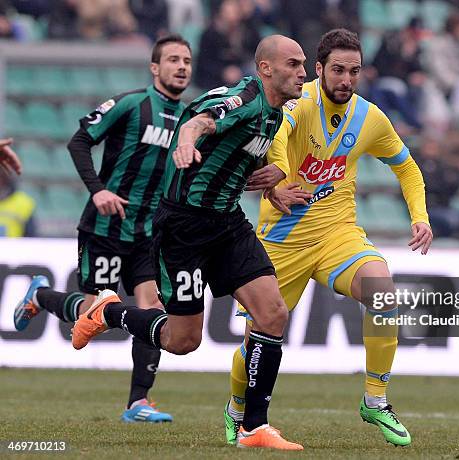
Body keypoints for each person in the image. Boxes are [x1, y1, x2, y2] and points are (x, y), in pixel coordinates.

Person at [70, 34, 307, 451]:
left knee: (272, 314)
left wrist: (274, 184)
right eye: (293, 64)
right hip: (184, 227)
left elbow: (238, 157)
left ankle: (254, 428)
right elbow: (201, 122)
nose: (303, 72)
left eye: (303, 64)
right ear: (266, 68)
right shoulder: (245, 100)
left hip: (228, 222)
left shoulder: (275, 112)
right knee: (183, 341)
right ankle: (110, 312)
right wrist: (183, 143)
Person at [225, 29, 433, 447]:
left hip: (338, 235)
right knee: (257, 338)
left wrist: (420, 217)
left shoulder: (369, 117)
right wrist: (278, 178)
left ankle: (375, 399)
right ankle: (237, 409)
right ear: (318, 69)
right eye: (337, 70)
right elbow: (278, 138)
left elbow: (407, 167)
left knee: (382, 290)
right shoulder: (298, 103)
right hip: (282, 240)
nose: (346, 79)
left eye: (354, 71)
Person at [13, 34, 193, 422]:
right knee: (95, 315)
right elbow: (79, 141)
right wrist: (98, 191)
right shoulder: (130, 104)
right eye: (174, 59)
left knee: (153, 310)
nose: (182, 67)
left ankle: (138, 403)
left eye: (187, 61)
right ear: (154, 67)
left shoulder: (191, 120)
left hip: (147, 234)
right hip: (105, 229)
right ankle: (41, 295)